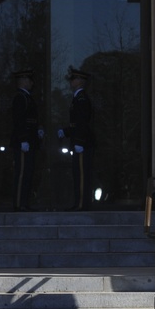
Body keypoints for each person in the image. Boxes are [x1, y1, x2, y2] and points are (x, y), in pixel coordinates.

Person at [58, 67, 96, 210]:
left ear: (80, 81)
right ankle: (79, 203)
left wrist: (79, 142)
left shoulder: (81, 98)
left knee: (81, 175)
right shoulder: (78, 98)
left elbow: (82, 122)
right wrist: (66, 131)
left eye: (73, 79)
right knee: (78, 174)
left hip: (83, 143)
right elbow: (76, 123)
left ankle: (81, 204)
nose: (71, 82)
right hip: (79, 141)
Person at [11, 69, 42, 212]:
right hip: (23, 143)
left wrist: (37, 131)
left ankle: (24, 202)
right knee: (22, 173)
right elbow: (19, 121)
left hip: (30, 142)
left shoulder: (27, 97)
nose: (31, 83)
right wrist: (23, 139)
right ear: (22, 81)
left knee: (28, 173)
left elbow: (31, 120)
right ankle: (19, 203)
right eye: (29, 80)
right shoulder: (20, 97)